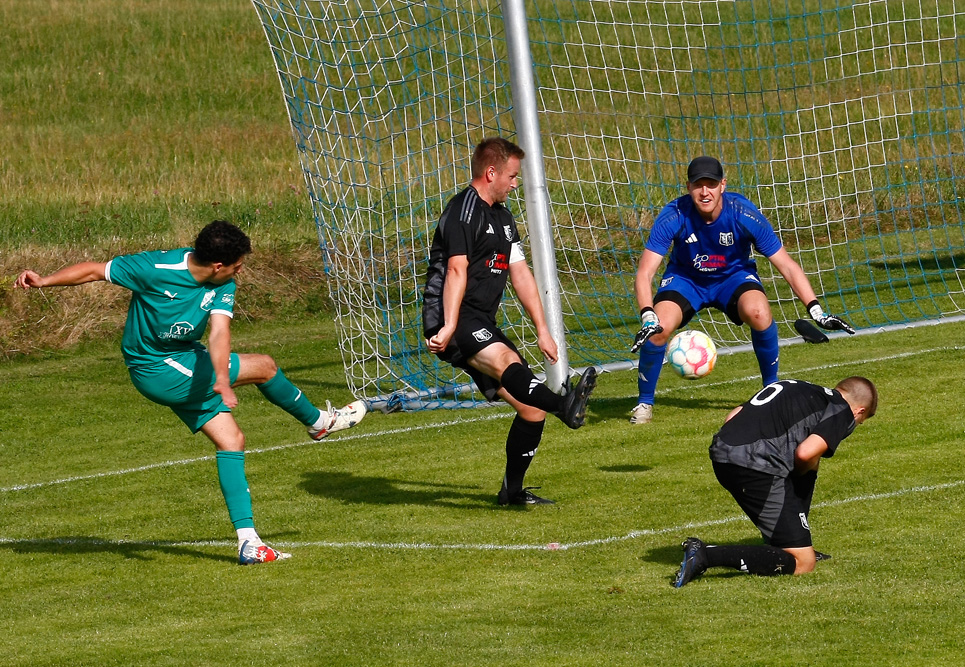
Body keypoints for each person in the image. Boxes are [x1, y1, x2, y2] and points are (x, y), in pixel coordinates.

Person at [14, 220, 367, 565]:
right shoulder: (155, 267)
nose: (239, 272)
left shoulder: (222, 283)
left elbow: (218, 334)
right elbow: (95, 270)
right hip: (155, 367)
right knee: (264, 366)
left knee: (232, 440)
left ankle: (249, 542)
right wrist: (45, 281)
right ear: (217, 265)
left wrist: (220, 376)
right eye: (237, 266)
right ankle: (319, 422)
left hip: (185, 357)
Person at [422, 137, 598, 506]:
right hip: (450, 316)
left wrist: (543, 331)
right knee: (508, 364)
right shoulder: (461, 212)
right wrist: (450, 325)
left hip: (479, 319)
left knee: (531, 410)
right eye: (512, 176)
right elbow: (455, 271)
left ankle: (512, 492)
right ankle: (563, 405)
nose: (515, 183)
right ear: (491, 173)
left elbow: (520, 274)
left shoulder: (502, 218)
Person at [630, 156, 855, 424]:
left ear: (723, 185)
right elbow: (644, 273)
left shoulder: (744, 214)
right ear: (688, 187)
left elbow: (787, 265)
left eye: (711, 184)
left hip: (733, 277)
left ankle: (770, 390)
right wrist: (648, 315)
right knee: (660, 329)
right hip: (686, 279)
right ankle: (644, 403)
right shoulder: (674, 215)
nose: (705, 192)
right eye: (698, 185)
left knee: (759, 312)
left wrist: (816, 310)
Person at [673, 376, 877, 587]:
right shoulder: (841, 409)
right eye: (860, 422)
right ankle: (706, 555)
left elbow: (733, 415)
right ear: (859, 411)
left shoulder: (795, 386)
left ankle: (794, 539)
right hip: (754, 466)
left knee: (811, 465)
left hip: (722, 455)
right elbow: (805, 454)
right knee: (803, 563)